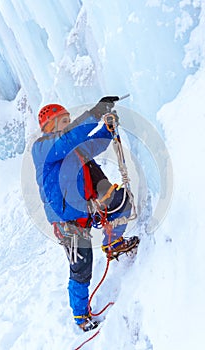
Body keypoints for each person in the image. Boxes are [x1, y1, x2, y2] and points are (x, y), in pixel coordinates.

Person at [32, 97, 139, 332]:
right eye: (63, 121)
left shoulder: (71, 147)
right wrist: (95, 112)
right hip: (67, 222)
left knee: (121, 202)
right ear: (49, 126)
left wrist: (108, 130)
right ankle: (80, 315)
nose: (68, 123)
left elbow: (93, 144)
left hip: (86, 210)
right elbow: (70, 137)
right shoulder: (42, 148)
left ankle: (114, 243)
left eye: (69, 120)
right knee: (81, 268)